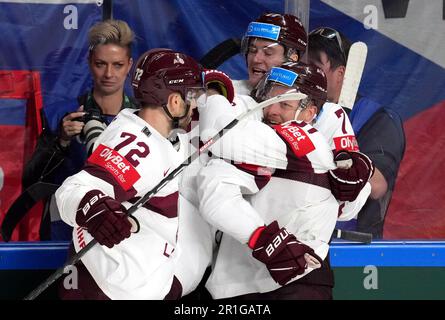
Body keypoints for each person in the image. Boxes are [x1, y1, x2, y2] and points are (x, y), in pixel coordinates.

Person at [196, 62, 373, 299]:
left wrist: (215, 94)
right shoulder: (253, 131)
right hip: (237, 284)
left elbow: (350, 206)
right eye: (269, 101)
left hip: (298, 279)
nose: (272, 111)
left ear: (310, 114)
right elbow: (215, 189)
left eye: (285, 104)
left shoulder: (304, 137)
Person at [55, 48, 205, 300]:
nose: (195, 106)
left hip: (125, 279)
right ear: (174, 102)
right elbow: (73, 189)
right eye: (191, 96)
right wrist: (93, 207)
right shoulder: (138, 146)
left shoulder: (141, 129)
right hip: (110, 289)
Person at [16, 19, 139, 240]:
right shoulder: (59, 115)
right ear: (89, 62)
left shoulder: (142, 120)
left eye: (118, 65)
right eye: (101, 64)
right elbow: (30, 180)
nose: (109, 73)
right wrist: (61, 142)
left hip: (123, 232)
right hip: (64, 230)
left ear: (129, 65)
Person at [307, 27, 406, 238]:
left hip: (352, 246)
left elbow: (377, 185)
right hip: (300, 238)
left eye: (314, 67)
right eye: (301, 67)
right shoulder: (293, 112)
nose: (305, 75)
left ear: (340, 73)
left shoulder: (377, 118)